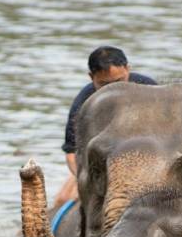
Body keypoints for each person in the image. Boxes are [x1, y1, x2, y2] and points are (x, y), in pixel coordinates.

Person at [52, 46, 157, 208]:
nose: (113, 90)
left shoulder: (150, 90)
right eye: (104, 85)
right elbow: (72, 152)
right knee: (63, 200)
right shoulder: (84, 103)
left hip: (145, 157)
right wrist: (87, 178)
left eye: (119, 82)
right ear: (91, 78)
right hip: (98, 165)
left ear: (128, 70)